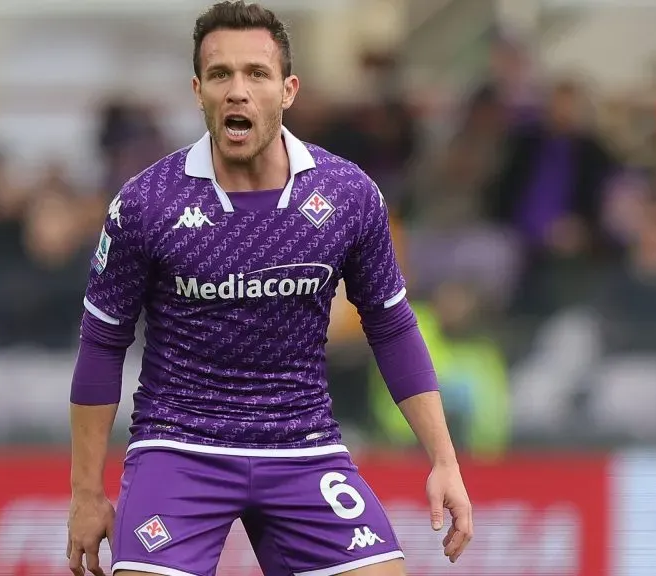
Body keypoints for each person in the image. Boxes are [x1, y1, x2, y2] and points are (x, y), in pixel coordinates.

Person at [66, 3, 473, 576]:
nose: (237, 91)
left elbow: (391, 324)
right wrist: (87, 494)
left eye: (256, 74)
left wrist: (444, 461)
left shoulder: (348, 195)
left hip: (302, 444)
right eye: (220, 75)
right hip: (180, 447)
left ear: (287, 90)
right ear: (197, 90)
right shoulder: (146, 203)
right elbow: (101, 343)